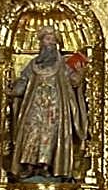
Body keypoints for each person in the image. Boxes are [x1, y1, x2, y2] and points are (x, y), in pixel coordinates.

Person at [9, 24, 88, 180]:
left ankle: (47, 165)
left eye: (52, 39)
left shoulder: (63, 64)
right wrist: (14, 89)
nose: (49, 42)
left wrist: (79, 74)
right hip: (35, 106)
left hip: (54, 107)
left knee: (50, 135)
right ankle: (29, 165)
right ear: (42, 42)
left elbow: (73, 81)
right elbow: (24, 81)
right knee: (31, 133)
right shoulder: (33, 65)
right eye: (46, 38)